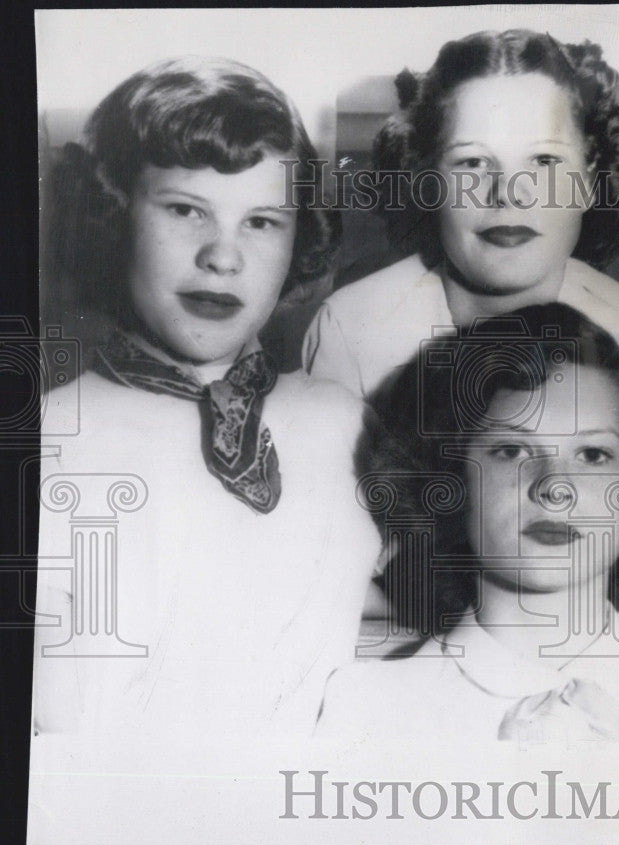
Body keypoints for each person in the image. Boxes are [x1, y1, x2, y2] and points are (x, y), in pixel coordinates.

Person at [34, 57, 380, 734]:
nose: (223, 257)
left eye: (262, 222)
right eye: (186, 210)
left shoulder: (346, 424)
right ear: (113, 216)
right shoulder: (52, 436)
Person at [316, 304, 619, 745]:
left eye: (593, 455)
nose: (555, 488)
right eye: (511, 452)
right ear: (451, 480)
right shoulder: (367, 710)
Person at [302, 29, 619, 417]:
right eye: (472, 161)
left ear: (591, 180)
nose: (507, 192)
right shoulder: (350, 332)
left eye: (543, 161)